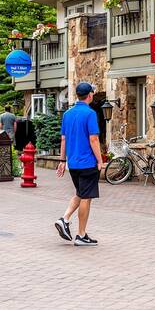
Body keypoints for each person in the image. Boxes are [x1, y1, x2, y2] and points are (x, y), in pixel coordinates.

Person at [54, 83, 104, 247]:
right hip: (87, 162)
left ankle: (65, 218)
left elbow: (63, 139)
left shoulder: (68, 114)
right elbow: (93, 139)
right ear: (90, 95)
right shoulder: (90, 114)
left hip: (73, 163)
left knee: (81, 193)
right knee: (86, 197)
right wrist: (100, 160)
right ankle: (81, 235)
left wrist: (62, 161)